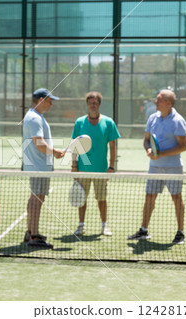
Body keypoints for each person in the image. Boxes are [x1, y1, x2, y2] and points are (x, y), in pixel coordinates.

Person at [128, 89, 186, 245]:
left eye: (159, 99)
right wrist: (148, 149)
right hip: (154, 167)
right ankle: (143, 230)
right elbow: (146, 140)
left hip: (173, 167)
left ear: (168, 103)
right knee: (149, 197)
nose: (155, 101)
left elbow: (182, 146)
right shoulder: (152, 118)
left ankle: (180, 233)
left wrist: (161, 154)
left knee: (176, 198)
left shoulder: (178, 120)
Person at [71, 92, 120, 236]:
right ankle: (81, 225)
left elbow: (112, 146)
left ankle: (104, 225)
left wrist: (111, 167)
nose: (93, 105)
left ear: (99, 104)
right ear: (87, 104)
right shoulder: (79, 122)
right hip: (83, 168)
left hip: (101, 169)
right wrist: (74, 166)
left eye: (95, 102)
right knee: (81, 199)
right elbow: (75, 145)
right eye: (91, 102)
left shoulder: (108, 122)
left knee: (102, 199)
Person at [22, 88, 65, 249]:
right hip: (38, 166)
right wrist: (55, 152)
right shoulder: (34, 118)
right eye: (49, 100)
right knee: (37, 199)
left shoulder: (35, 116)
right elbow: (38, 143)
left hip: (39, 166)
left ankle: (31, 232)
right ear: (40, 100)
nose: (51, 104)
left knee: (36, 198)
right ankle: (34, 236)